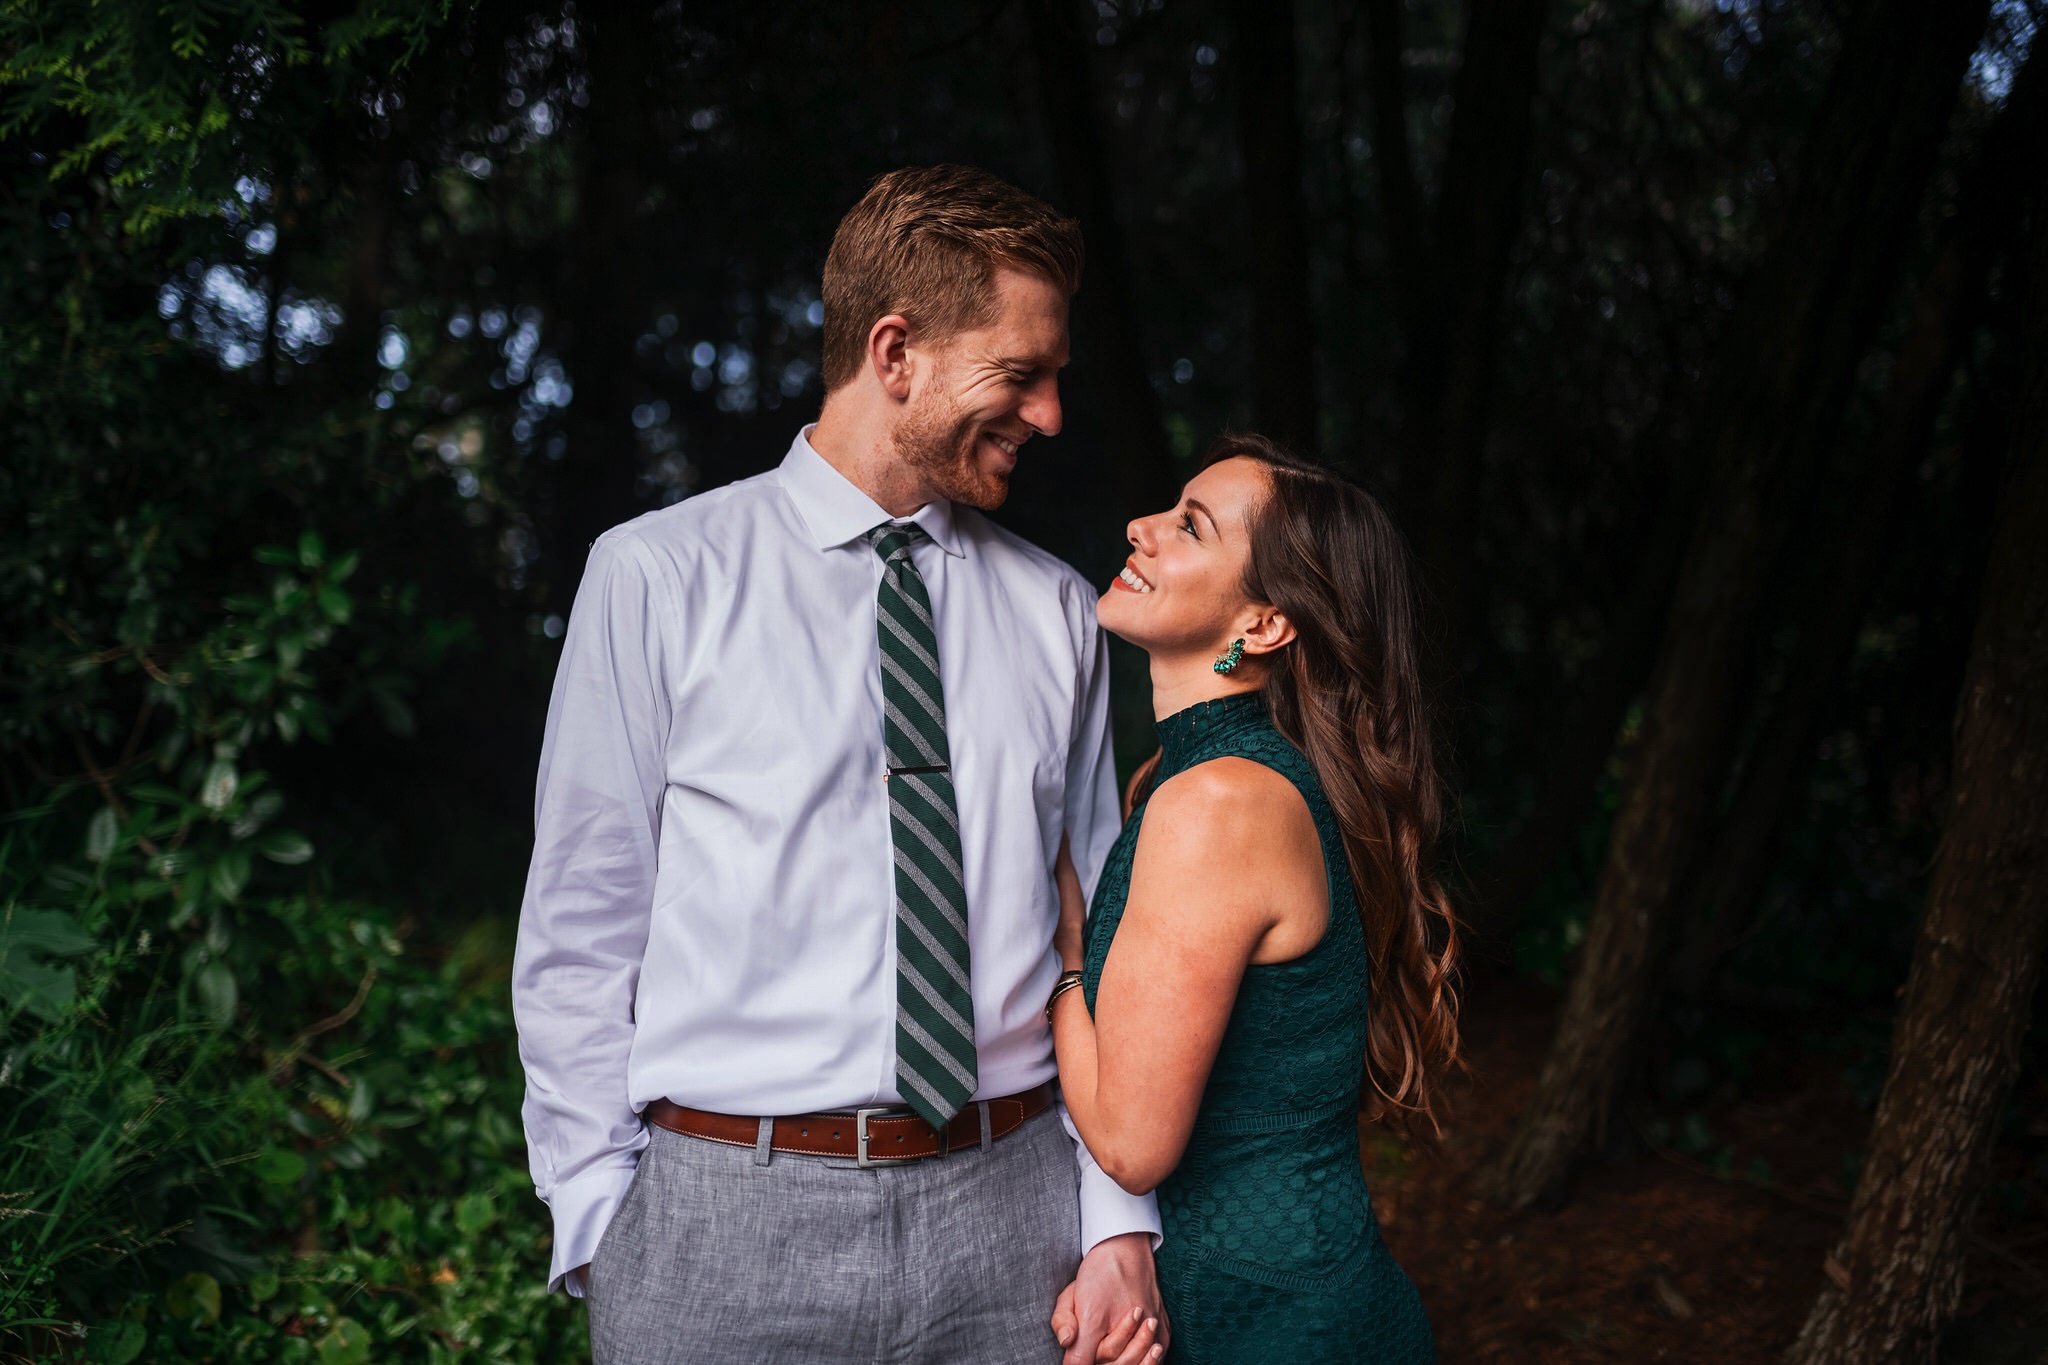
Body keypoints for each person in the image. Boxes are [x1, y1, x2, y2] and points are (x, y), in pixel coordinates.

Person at [512, 165, 1168, 1365]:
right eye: (1020, 373)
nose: (1050, 413)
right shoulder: (656, 577)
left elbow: (1101, 926)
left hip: (1014, 1217)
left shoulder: (1062, 613)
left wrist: (1116, 1217)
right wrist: (601, 1220)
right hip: (720, 1230)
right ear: (894, 351)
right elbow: (580, 923)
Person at [1046, 435, 1462, 1364]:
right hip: (1268, 1290)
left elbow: (1130, 1142)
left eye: (1189, 526)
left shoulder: (1218, 802)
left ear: (1267, 624)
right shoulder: (1203, 777)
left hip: (1278, 1319)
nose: (1140, 528)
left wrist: (1064, 961)